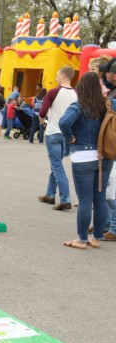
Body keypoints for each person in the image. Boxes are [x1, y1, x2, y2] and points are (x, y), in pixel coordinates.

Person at [59, 72, 115, 249]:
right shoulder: (108, 104)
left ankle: (81, 239)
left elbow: (64, 123)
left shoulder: (79, 106)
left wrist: (71, 138)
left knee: (84, 200)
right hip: (105, 156)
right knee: (99, 199)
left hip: (83, 157)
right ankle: (96, 238)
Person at [38, 66, 78, 211]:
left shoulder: (53, 92)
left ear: (63, 76)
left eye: (57, 75)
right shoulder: (76, 94)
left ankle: (65, 198)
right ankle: (49, 194)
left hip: (53, 132)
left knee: (56, 166)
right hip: (66, 135)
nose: (55, 78)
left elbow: (42, 111)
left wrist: (42, 121)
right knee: (56, 164)